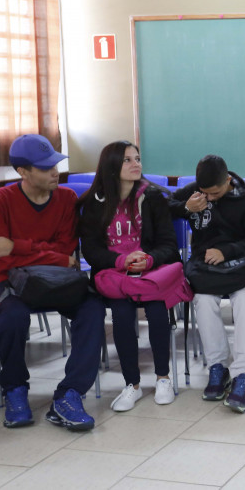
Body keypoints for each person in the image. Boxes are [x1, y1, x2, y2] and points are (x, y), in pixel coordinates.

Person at [0, 134, 104, 431]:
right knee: (11, 317)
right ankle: (15, 390)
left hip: (59, 282)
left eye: (56, 165)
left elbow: (65, 252)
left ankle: (70, 394)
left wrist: (17, 247)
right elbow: (1, 261)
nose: (55, 172)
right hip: (12, 283)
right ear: (23, 172)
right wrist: (46, 255)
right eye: (45, 167)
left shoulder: (66, 199)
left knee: (93, 309)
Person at [79, 141, 184, 412]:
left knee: (158, 312)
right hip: (114, 275)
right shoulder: (95, 203)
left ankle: (163, 378)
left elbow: (169, 245)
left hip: (150, 274)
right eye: (128, 160)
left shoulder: (153, 198)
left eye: (137, 158)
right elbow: (90, 249)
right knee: (122, 316)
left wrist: (149, 259)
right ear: (112, 166)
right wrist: (119, 260)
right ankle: (132, 385)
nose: (136, 164)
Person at [169, 155, 245, 413]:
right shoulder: (196, 193)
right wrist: (186, 208)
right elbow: (163, 205)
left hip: (240, 269)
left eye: (214, 193)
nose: (209, 198)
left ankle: (243, 373)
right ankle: (218, 367)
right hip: (207, 271)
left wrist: (227, 251)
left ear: (227, 181)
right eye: (205, 193)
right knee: (202, 300)